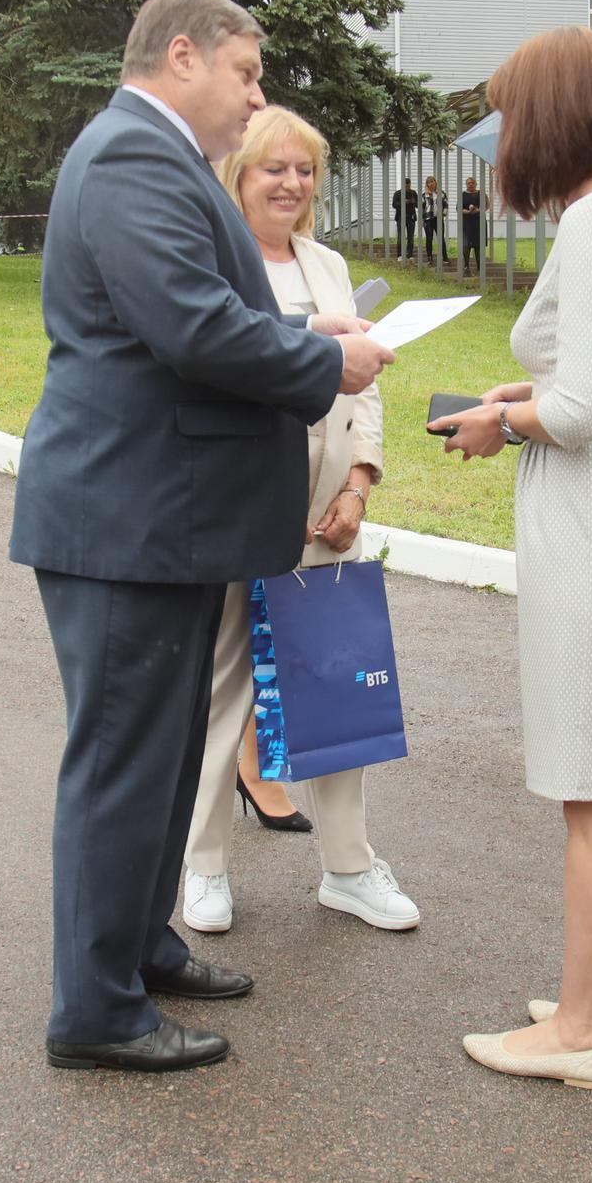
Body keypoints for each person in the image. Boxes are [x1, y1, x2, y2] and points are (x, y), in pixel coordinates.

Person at [11, 0, 393, 1075]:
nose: (256, 96)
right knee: (125, 765)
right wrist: (328, 363)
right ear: (182, 56)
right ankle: (95, 1011)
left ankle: (136, 950)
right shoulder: (136, 154)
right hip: (130, 522)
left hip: (158, 520)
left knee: (168, 757)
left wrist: (297, 323)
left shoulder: (149, 155)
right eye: (246, 73)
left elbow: (180, 311)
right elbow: (185, 327)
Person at [427, 26, 592, 1094]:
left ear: (545, 121)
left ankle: (577, 1028)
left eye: (508, 118)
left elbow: (579, 407)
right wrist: (517, 401)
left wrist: (507, 422)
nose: (501, 140)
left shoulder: (591, 226)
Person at [179, 106, 420, 937]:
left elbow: (366, 384)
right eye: (272, 167)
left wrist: (357, 486)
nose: (290, 183)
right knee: (224, 692)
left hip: (324, 519)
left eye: (304, 169)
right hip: (239, 512)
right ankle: (202, 865)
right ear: (237, 174)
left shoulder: (327, 262)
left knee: (334, 687)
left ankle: (349, 866)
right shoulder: (214, 263)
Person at [460, 174, 484, 266]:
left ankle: (479, 266)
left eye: (472, 183)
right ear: (466, 184)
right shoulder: (463, 195)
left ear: (476, 184)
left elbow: (486, 206)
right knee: (466, 245)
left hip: (478, 223)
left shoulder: (481, 194)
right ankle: (466, 265)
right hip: (466, 223)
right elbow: (459, 208)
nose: (470, 185)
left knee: (478, 245)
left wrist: (476, 210)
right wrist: (468, 212)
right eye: (468, 183)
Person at [420, 174, 443, 262]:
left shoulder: (440, 193)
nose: (431, 184)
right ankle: (429, 256)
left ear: (435, 183)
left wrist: (443, 214)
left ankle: (444, 256)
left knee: (440, 238)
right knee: (429, 238)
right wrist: (422, 220)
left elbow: (445, 204)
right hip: (428, 219)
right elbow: (422, 208)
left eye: (432, 181)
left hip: (438, 218)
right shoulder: (424, 195)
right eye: (429, 182)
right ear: (427, 184)